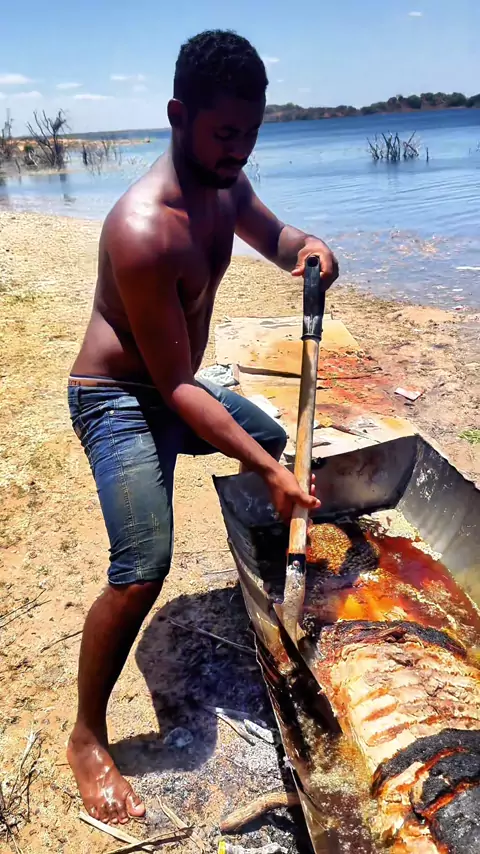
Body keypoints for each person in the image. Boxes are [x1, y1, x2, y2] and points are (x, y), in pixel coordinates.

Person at [67, 29, 339, 826]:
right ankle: (87, 734)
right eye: (225, 133)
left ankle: (277, 595)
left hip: (176, 381)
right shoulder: (143, 229)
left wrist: (308, 247)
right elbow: (178, 388)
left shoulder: (227, 182)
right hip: (120, 397)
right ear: (178, 116)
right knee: (142, 565)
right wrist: (269, 471)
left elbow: (277, 240)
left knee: (276, 447)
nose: (239, 150)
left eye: (251, 133)